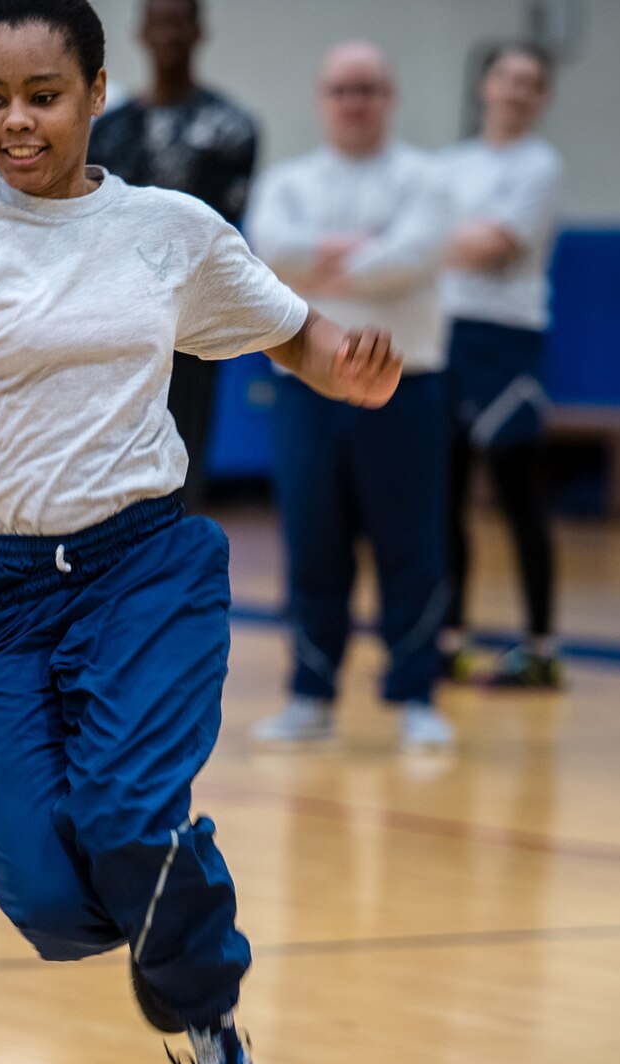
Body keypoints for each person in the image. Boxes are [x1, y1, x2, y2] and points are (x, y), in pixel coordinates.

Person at [0, 0, 401, 1064]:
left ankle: (217, 1051)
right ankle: (153, 884)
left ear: (96, 91)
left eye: (42, 95)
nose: (15, 121)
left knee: (126, 818)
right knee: (58, 905)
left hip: (139, 568)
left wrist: (342, 372)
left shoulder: (167, 232)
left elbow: (290, 333)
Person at [245, 41, 455, 751]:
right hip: (307, 390)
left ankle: (416, 694)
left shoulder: (426, 179)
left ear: (389, 97)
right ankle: (310, 694)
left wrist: (324, 258)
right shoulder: (287, 183)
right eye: (342, 90)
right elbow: (270, 253)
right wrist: (362, 250)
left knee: (411, 543)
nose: (355, 102)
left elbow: (409, 260)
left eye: (368, 89)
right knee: (312, 542)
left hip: (410, 387)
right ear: (322, 99)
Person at [86, 0, 258, 510]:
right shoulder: (110, 129)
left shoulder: (231, 127)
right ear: (141, 32)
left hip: (191, 325)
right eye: (158, 22)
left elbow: (211, 236)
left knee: (182, 464)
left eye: (179, 21)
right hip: (111, 320)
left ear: (199, 31)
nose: (169, 35)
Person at [437, 42, 565, 689]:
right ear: (484, 85)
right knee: (444, 498)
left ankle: (540, 646)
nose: (517, 90)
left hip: (508, 340)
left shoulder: (539, 166)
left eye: (531, 82)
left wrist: (414, 247)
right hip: (444, 335)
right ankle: (449, 637)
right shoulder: (447, 166)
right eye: (507, 77)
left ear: (541, 97)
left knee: (520, 499)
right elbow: (437, 240)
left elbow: (492, 246)